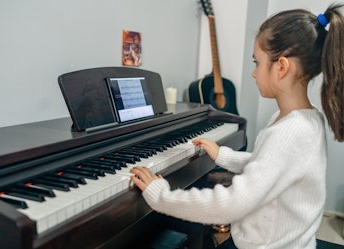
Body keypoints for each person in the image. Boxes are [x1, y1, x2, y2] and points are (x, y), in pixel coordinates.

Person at [130, 3, 344, 249]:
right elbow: (272, 165)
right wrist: (224, 155)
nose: (253, 74)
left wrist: (161, 196)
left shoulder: (291, 132)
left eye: (257, 63)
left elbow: (231, 205)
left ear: (282, 67)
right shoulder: (304, 119)